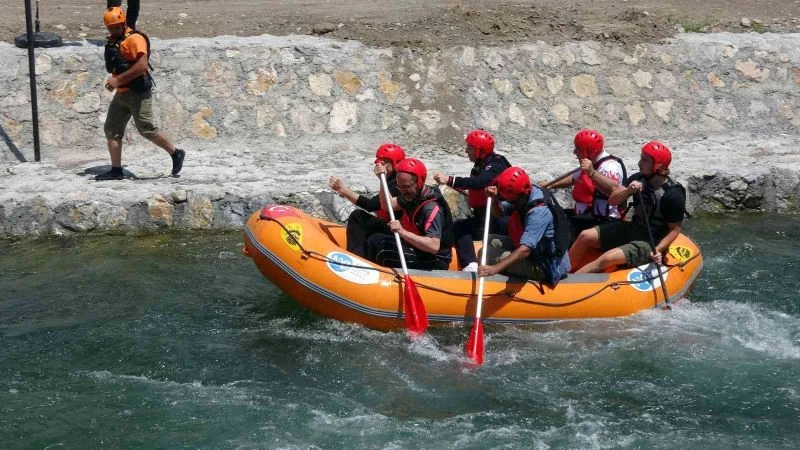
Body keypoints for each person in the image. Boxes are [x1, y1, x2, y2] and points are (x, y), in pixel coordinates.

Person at [569, 141, 687, 273]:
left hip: (652, 240)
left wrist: (658, 250)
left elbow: (675, 229)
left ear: (657, 165)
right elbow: (613, 200)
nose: (639, 163)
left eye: (644, 160)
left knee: (607, 258)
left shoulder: (673, 194)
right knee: (585, 236)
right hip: (634, 228)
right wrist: (628, 191)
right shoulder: (638, 178)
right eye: (641, 158)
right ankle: (564, 274)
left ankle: (569, 284)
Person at [97, 6, 185, 180]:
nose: (113, 31)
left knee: (146, 129)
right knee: (112, 130)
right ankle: (116, 170)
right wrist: (115, 82)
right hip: (122, 93)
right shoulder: (114, 40)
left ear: (123, 24)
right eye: (110, 28)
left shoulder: (135, 39)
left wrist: (118, 80)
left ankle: (176, 153)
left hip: (138, 93)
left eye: (116, 27)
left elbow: (142, 66)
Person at [433, 129, 511, 272]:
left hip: (499, 217)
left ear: (479, 150)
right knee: (459, 226)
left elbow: (480, 182)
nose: (466, 151)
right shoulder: (481, 163)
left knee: (463, 228)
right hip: (483, 216)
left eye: (469, 148)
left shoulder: (497, 164)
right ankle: (471, 263)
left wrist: (450, 180)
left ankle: (483, 262)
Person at [477, 167, 571, 286]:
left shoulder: (538, 213)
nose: (511, 204)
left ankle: (498, 284)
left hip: (544, 266)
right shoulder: (526, 193)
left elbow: (525, 250)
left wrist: (494, 268)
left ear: (522, 194)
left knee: (485, 253)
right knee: (489, 239)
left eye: (512, 202)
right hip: (535, 252)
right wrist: (495, 199)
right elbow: (500, 213)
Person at [364, 158, 454, 270]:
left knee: (381, 247)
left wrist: (402, 232)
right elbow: (387, 205)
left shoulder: (431, 207)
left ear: (420, 182)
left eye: (406, 187)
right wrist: (382, 180)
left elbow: (433, 246)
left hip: (434, 260)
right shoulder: (413, 194)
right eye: (399, 186)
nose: (402, 191)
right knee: (363, 222)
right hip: (416, 249)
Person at [543, 129, 626, 240]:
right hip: (584, 216)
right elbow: (572, 178)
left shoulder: (610, 167)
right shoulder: (591, 162)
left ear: (589, 150)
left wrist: (591, 172)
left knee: (561, 231)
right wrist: (549, 185)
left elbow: (614, 190)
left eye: (578, 149)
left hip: (601, 219)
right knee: (551, 215)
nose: (575, 152)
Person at [329, 143, 405, 257]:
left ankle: (355, 257)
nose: (379, 164)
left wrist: (343, 190)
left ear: (393, 163)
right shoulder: (393, 179)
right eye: (379, 161)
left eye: (384, 162)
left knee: (357, 216)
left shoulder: (397, 184)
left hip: (397, 232)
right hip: (389, 226)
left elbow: (371, 205)